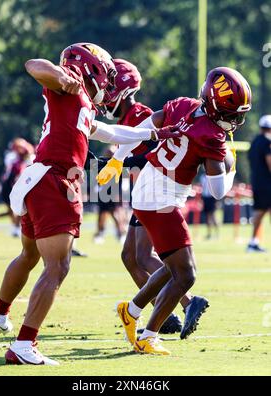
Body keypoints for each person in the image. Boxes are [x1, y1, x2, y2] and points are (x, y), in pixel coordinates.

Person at [0, 42, 179, 365]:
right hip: (54, 181)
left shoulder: (80, 103)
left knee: (30, 255)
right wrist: (60, 75)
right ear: (91, 69)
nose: (109, 85)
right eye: (106, 76)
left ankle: (1, 316)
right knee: (57, 266)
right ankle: (24, 345)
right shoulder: (67, 88)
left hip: (39, 179)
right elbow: (33, 64)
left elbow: (111, 133)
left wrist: (155, 135)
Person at [98, 67, 252, 355]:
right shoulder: (212, 136)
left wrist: (118, 157)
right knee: (186, 275)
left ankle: (130, 311)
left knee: (172, 268)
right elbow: (217, 191)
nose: (235, 120)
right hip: (162, 198)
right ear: (216, 106)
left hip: (148, 189)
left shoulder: (183, 105)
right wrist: (230, 165)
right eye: (231, 113)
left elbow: (143, 128)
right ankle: (148, 335)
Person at [102, 58, 209, 338]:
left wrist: (113, 163)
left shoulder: (139, 115)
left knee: (143, 255)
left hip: (155, 192)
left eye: (110, 85)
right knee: (130, 256)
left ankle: (182, 305)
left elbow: (149, 154)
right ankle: (166, 311)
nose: (105, 92)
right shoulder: (128, 118)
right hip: (146, 193)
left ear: (122, 90)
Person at [247, 115, 271, 252]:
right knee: (260, 213)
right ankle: (253, 243)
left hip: (257, 183)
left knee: (259, 213)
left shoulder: (255, 141)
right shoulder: (267, 142)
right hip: (267, 184)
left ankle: (253, 242)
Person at [200, 171, 219, 240]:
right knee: (207, 217)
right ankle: (209, 234)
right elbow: (202, 188)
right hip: (205, 198)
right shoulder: (202, 177)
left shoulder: (211, 177)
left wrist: (216, 200)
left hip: (211, 197)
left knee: (213, 216)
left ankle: (217, 234)